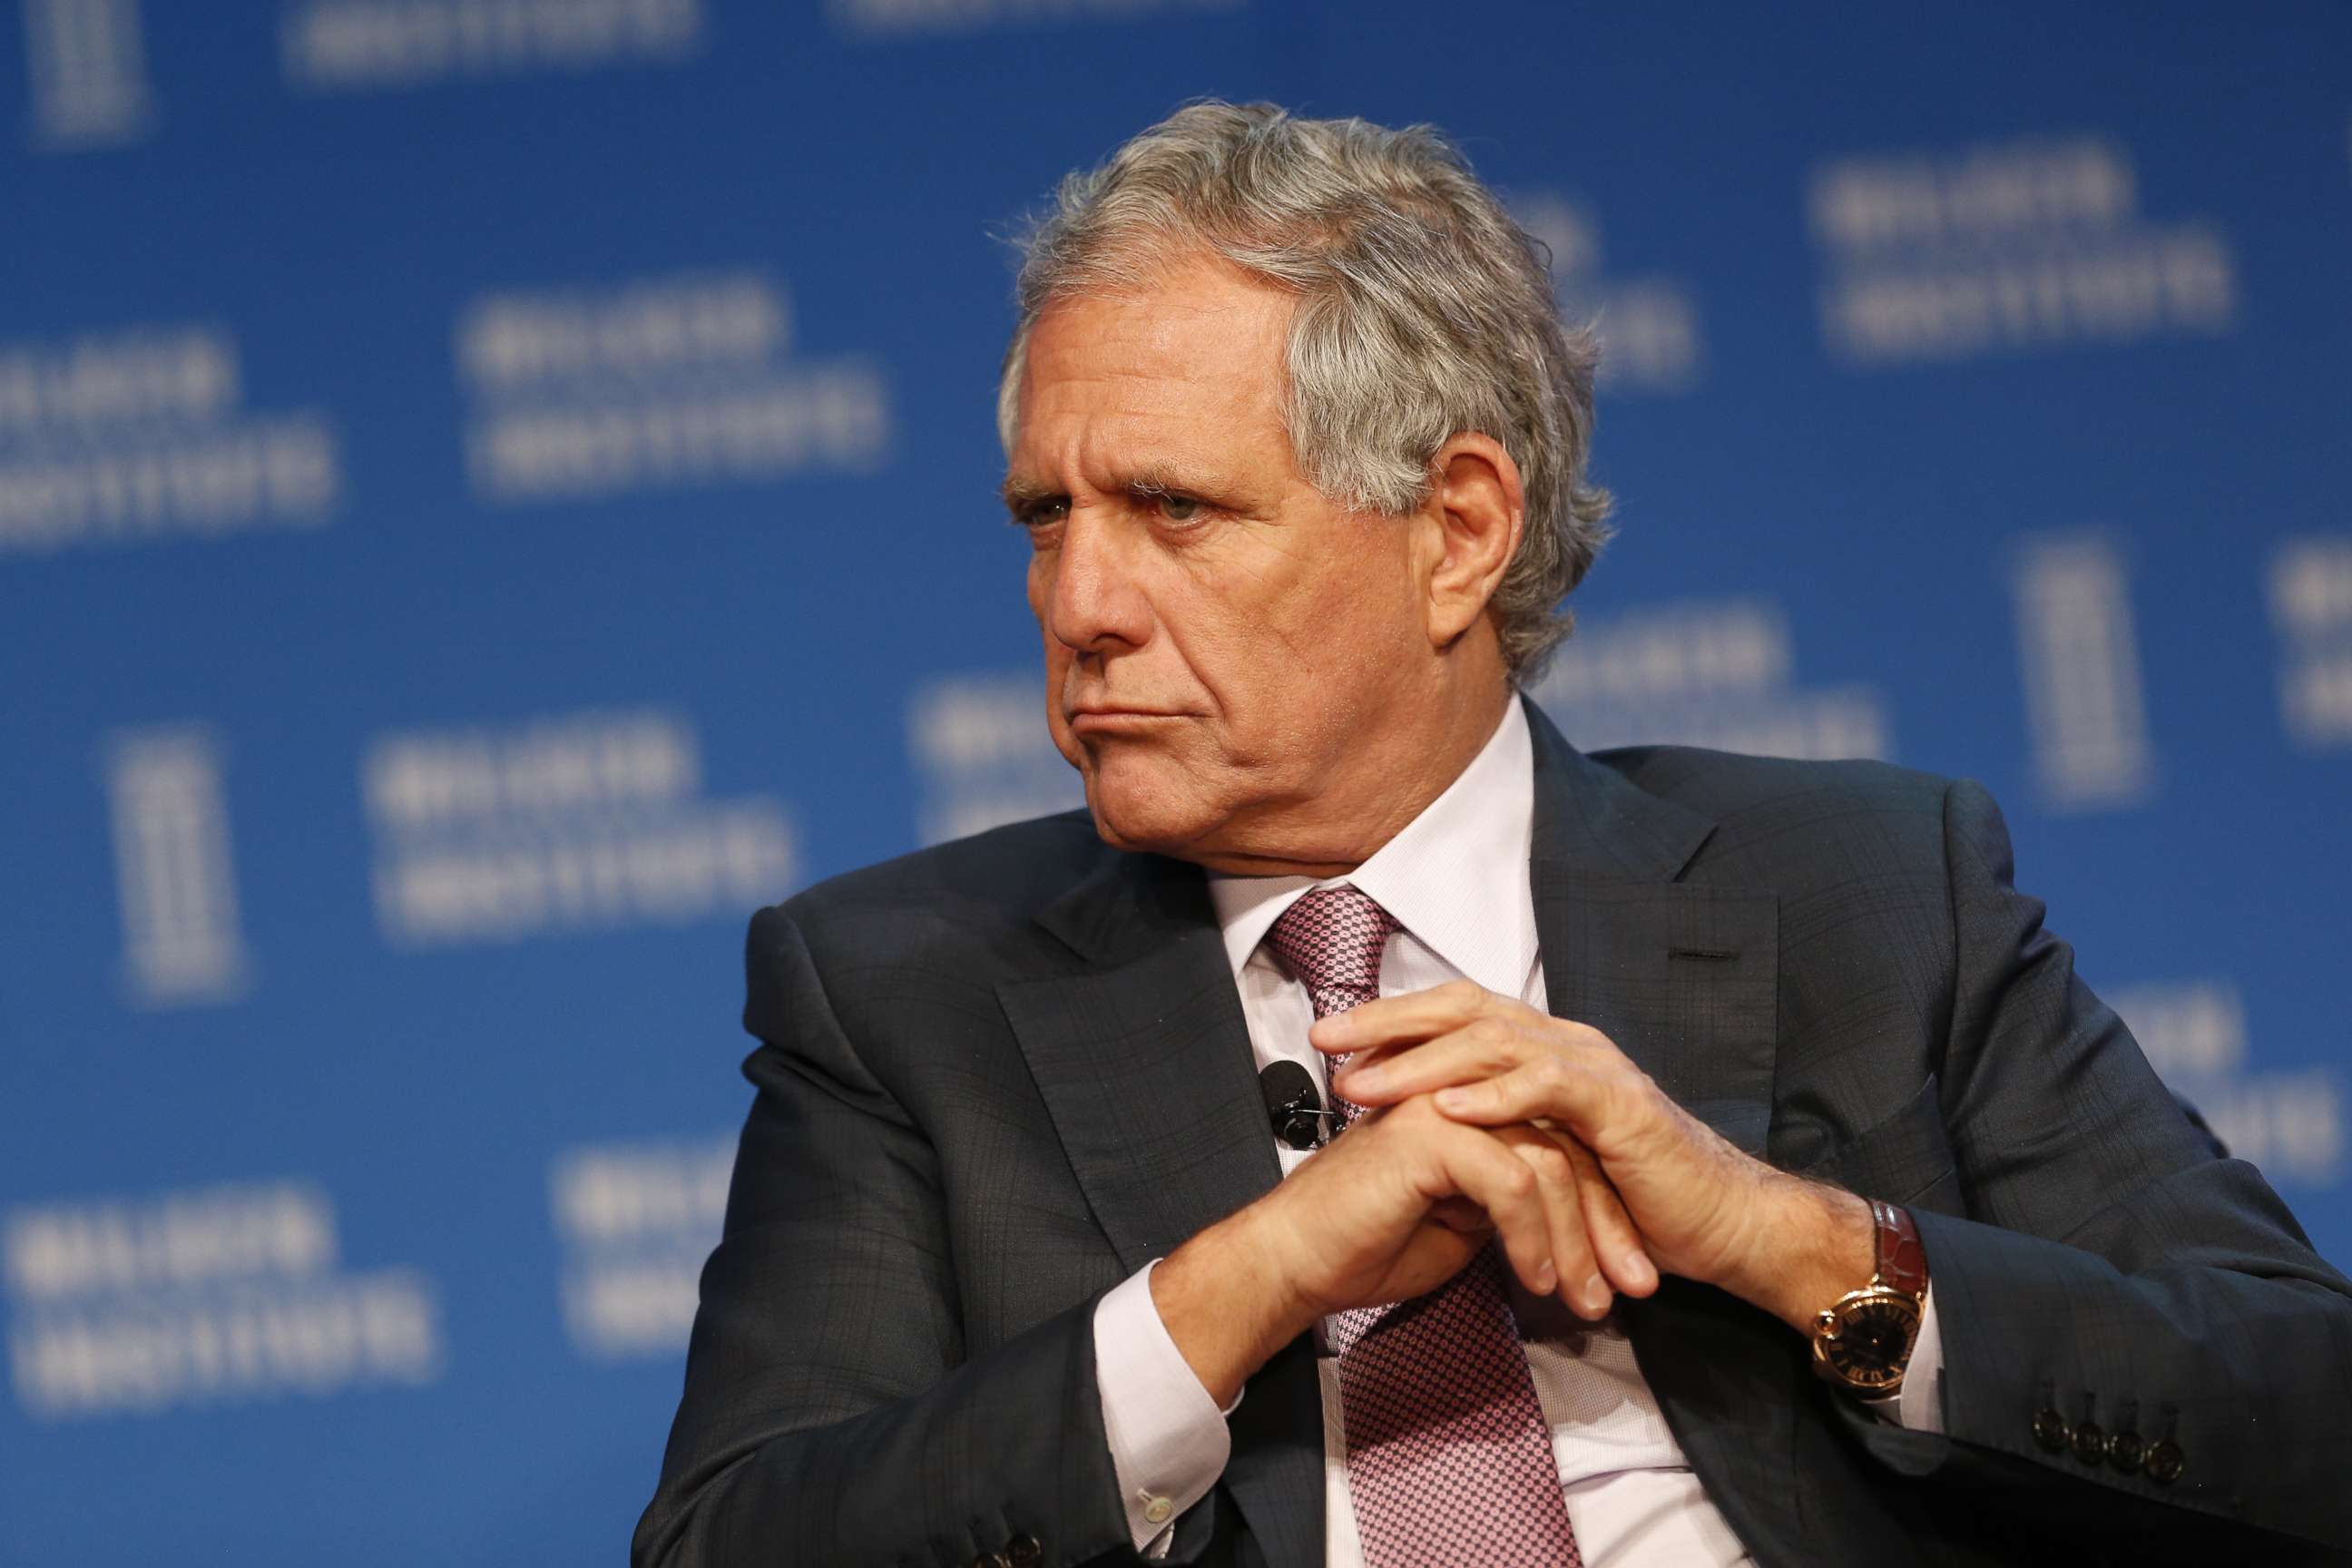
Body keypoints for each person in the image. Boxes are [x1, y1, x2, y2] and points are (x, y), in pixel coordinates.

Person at [634, 103, 2352, 1568]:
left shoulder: (1867, 892)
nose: (1080, 602)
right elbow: (734, 1538)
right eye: (1046, 517)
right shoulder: (903, 992)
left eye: (1174, 510)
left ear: (1455, 531)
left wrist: (1784, 1239)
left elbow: (2304, 1407)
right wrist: (1237, 1287)